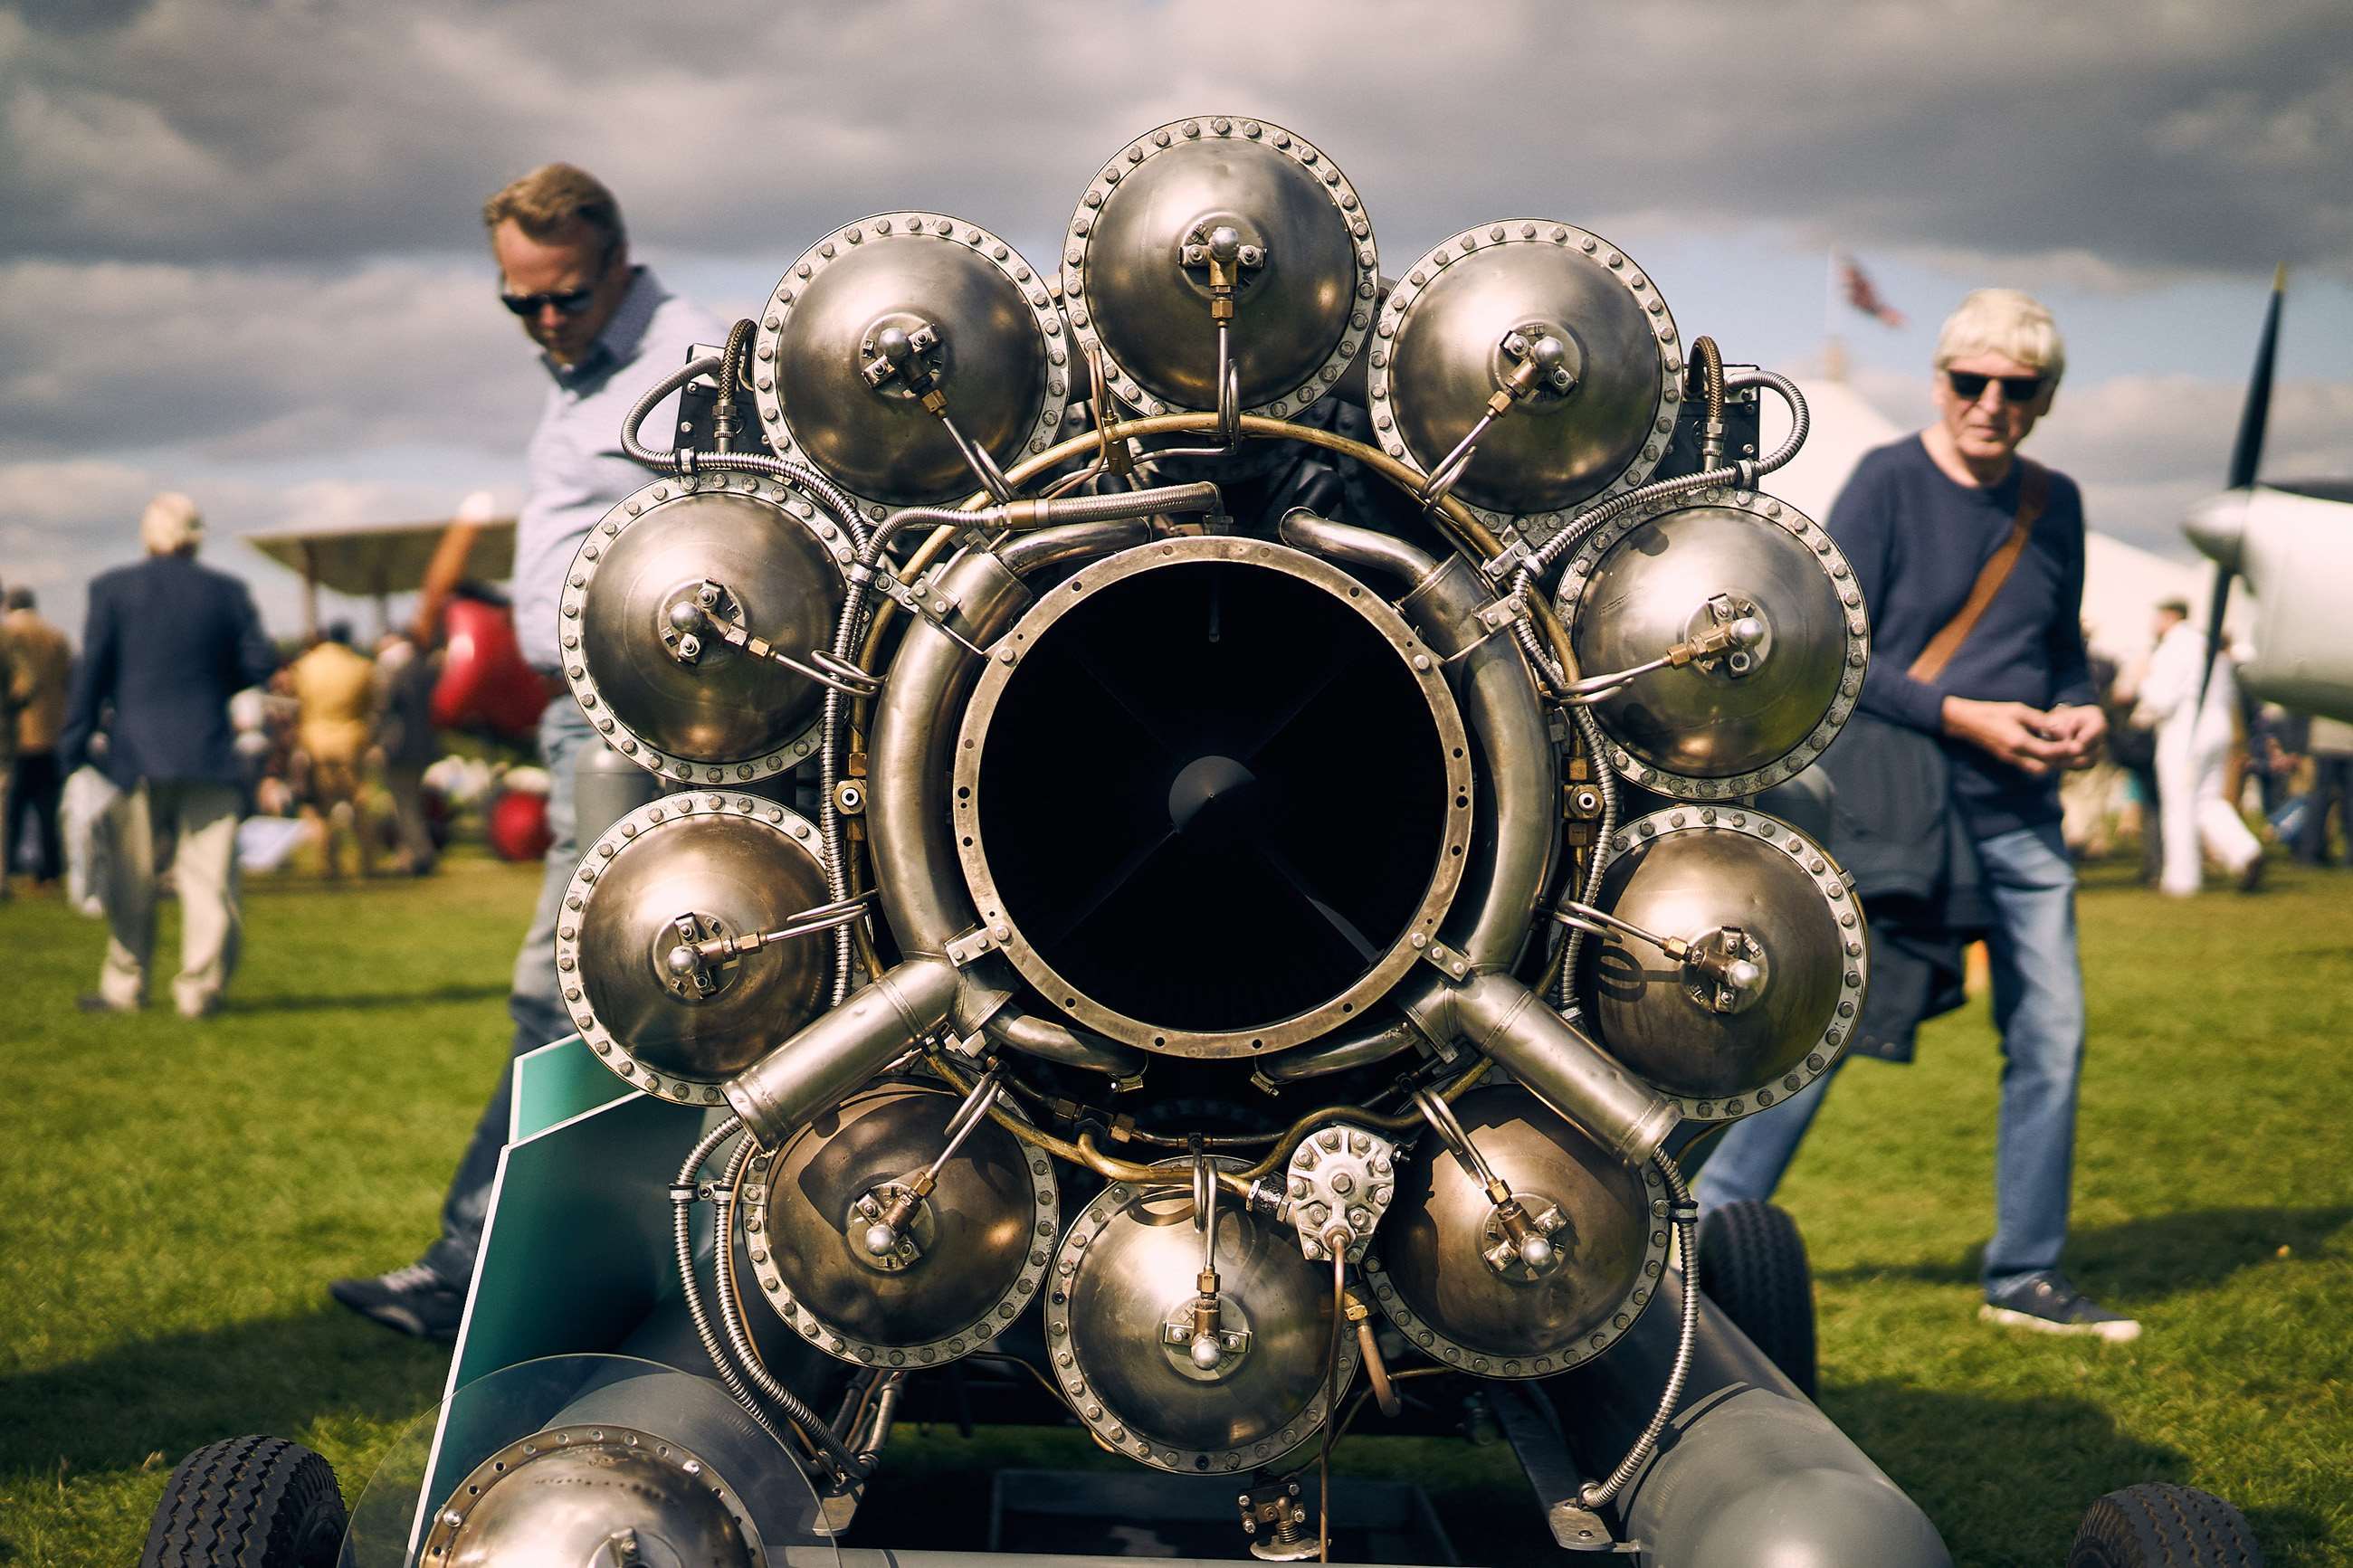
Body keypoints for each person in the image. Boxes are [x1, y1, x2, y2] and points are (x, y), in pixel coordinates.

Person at [1695, 290, 2139, 1341]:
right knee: (1826, 1020)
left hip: (2019, 807)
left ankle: (2024, 1273)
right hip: (1902, 803)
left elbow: (2060, 644)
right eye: (1968, 381)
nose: (1988, 402)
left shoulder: (2054, 500)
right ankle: (1708, 1230)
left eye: (2014, 387)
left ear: (2041, 399)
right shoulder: (1888, 479)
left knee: (2052, 1032)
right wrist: (1962, 714)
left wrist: (2077, 711)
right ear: (1938, 380)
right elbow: (1836, 642)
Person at [330, 164, 719, 1338]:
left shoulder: (691, 361)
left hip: (634, 716)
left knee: (561, 988)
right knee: (589, 994)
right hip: (571, 709)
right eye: (522, 303)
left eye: (564, 295)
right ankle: (565, 1265)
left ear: (616, 261)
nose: (546, 321)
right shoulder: (580, 371)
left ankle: (478, 1268)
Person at [59, 493, 279, 1017]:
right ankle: (199, 989)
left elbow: (92, 675)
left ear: (148, 534)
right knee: (209, 880)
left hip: (133, 752)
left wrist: (73, 746)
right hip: (209, 749)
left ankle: (125, 986)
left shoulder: (112, 589)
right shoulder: (227, 592)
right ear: (196, 537)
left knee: (131, 879)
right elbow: (258, 664)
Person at [2132, 600, 2261, 894]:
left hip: (2185, 730)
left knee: (2179, 804)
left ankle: (2182, 878)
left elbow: (2161, 698)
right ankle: (2245, 852)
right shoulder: (2208, 644)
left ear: (2167, 617)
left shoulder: (2172, 648)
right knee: (2208, 799)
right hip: (2219, 726)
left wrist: (2143, 680)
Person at [289, 622, 379, 879]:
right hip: (351, 739)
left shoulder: (307, 665)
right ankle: (367, 862)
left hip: (315, 740)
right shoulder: (361, 666)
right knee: (360, 803)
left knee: (321, 807)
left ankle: (329, 863)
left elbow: (299, 701)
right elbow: (369, 703)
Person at [4, 587, 74, 889]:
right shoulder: (56, 636)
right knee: (48, 806)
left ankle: (10, 864)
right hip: (52, 729)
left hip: (16, 730)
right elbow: (69, 679)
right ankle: (50, 870)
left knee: (12, 806)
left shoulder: (9, 635)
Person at [375, 631, 443, 875]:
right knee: (411, 802)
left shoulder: (395, 671)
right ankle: (409, 854)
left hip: (399, 746)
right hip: (423, 745)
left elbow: (384, 707)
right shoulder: (425, 670)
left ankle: (420, 853)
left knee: (404, 804)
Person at [2293, 716, 2353, 866]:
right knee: (2349, 800)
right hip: (2348, 740)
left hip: (2324, 741)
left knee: (2319, 798)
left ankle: (2310, 852)